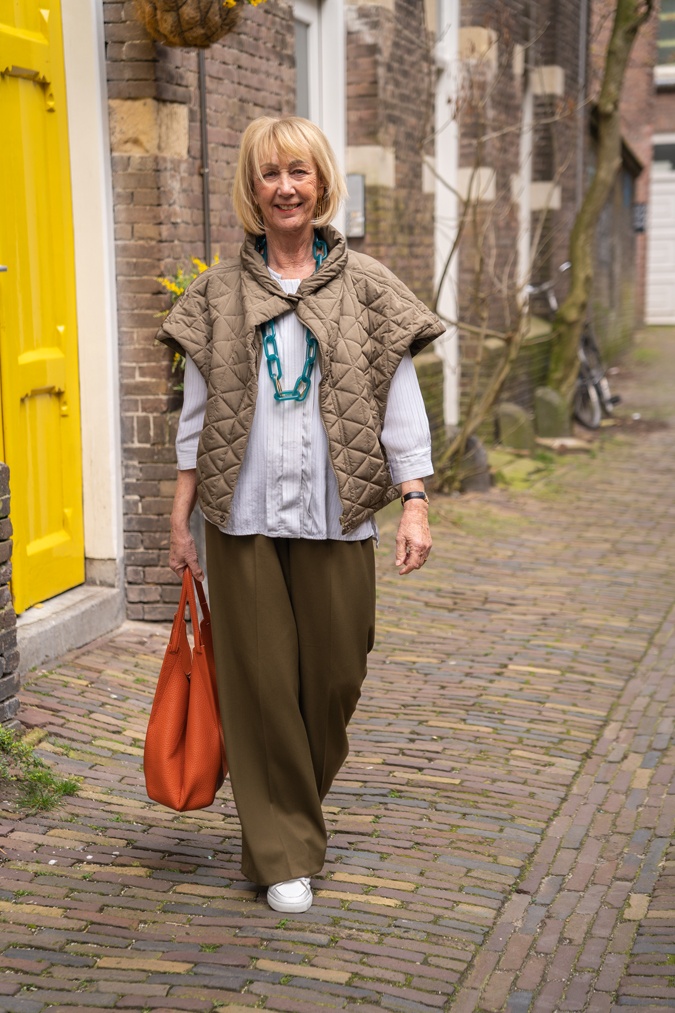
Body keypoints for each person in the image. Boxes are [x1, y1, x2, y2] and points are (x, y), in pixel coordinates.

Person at [158, 115, 444, 914]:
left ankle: (286, 809)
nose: (284, 187)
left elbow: (400, 406)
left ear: (320, 184)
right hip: (239, 514)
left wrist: (414, 502)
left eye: (298, 172)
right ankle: (280, 849)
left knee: (333, 675)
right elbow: (196, 413)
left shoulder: (369, 288)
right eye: (268, 174)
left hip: (337, 511)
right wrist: (180, 519)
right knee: (256, 683)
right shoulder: (215, 295)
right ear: (252, 191)